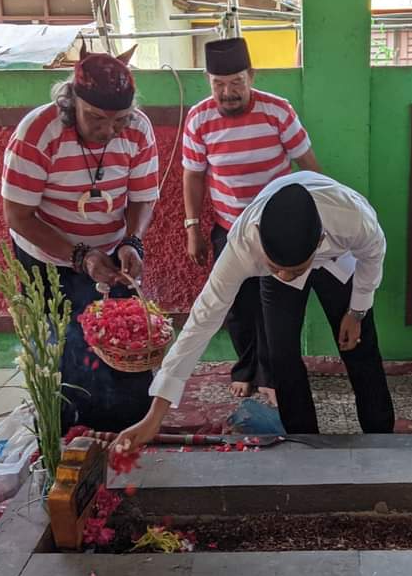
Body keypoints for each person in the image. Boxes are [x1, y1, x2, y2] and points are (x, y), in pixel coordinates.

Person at [114, 172, 396, 449]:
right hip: (280, 254)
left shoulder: (351, 217)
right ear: (260, 237)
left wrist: (357, 311)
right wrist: (155, 414)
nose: (286, 277)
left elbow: (373, 253)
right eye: (276, 268)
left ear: (319, 239)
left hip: (337, 260)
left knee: (359, 344)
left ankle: (381, 435)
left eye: (294, 271)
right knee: (280, 353)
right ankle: (306, 444)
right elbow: (202, 319)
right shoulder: (243, 245)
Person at [1, 44, 160, 431]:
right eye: (96, 119)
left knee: (124, 353)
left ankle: (127, 436)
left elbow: (142, 198)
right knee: (63, 358)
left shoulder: (138, 129)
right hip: (47, 261)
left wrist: (131, 242)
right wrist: (79, 257)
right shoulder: (39, 132)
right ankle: (68, 441)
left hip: (110, 260)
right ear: (71, 102)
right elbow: (18, 216)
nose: (108, 131)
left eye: (119, 120)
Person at [183, 37, 322, 403]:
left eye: (236, 83)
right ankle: (245, 370)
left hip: (276, 232)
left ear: (252, 77)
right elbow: (193, 175)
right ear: (208, 80)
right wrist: (192, 227)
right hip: (229, 229)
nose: (227, 93)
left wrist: (314, 220)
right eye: (219, 84)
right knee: (237, 308)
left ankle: (271, 376)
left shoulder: (278, 111)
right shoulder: (198, 118)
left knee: (274, 308)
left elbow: (308, 166)